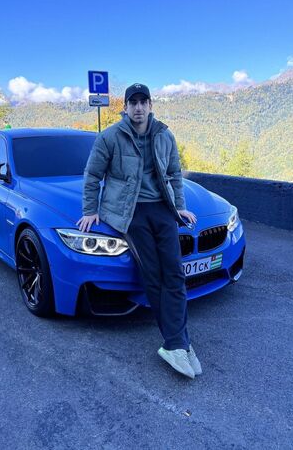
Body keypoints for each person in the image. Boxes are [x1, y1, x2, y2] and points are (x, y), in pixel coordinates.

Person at [77, 83, 201, 378]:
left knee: (175, 273)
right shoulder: (110, 137)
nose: (138, 107)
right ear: (125, 107)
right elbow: (93, 175)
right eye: (133, 102)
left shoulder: (164, 135)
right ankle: (176, 343)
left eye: (143, 101)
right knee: (153, 274)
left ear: (150, 105)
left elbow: (174, 174)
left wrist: (179, 207)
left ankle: (178, 342)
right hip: (130, 212)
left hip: (162, 209)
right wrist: (90, 210)